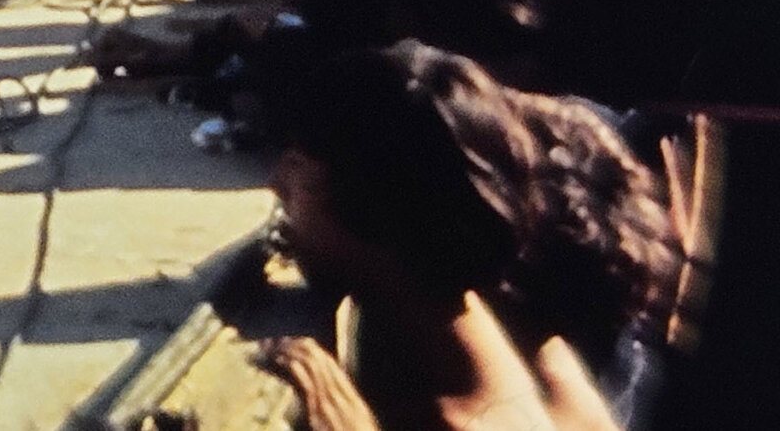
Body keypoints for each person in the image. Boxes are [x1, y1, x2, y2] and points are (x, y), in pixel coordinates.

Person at [263, 42, 676, 431]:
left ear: (369, 207)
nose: (277, 182)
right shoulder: (546, 358)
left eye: (298, 166)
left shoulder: (461, 418)